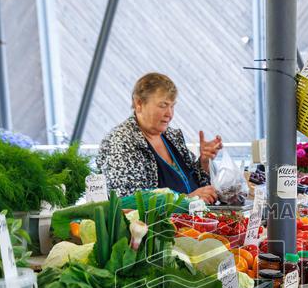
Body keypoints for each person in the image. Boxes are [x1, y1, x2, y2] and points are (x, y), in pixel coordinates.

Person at [95, 72, 223, 202]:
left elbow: (196, 184)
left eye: (172, 106)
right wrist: (187, 200)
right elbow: (128, 201)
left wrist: (204, 161)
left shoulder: (173, 136)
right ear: (139, 103)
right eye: (163, 105)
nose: (170, 114)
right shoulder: (120, 142)